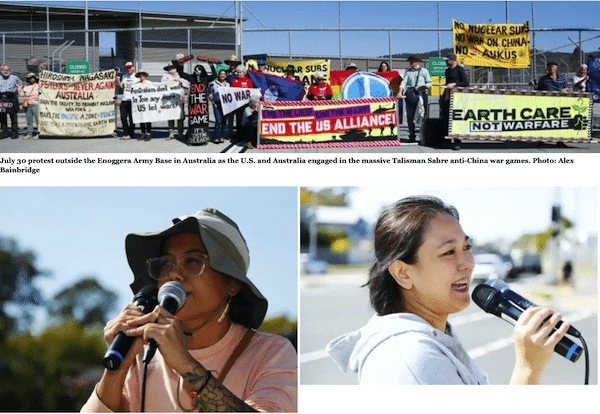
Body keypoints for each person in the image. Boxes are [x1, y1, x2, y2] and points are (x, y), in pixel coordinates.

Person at [327, 195, 571, 385]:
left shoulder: (430, 340)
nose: (467, 262)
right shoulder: (413, 359)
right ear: (403, 273)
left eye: (466, 247)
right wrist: (528, 369)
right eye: (448, 252)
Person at [80, 208, 297, 412]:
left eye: (193, 261)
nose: (174, 275)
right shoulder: (141, 354)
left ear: (233, 283)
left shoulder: (271, 353)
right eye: (165, 264)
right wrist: (116, 370)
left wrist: (185, 363)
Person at [399, 55, 432, 142]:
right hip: (410, 94)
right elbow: (404, 82)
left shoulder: (424, 71)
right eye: (410, 62)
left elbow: (429, 83)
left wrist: (422, 87)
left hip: (421, 95)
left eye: (412, 61)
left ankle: (423, 136)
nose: (410, 63)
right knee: (410, 116)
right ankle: (412, 136)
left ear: (416, 61)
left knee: (423, 115)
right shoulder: (408, 72)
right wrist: (400, 91)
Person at [440, 53, 469, 149]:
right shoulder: (447, 71)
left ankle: (457, 141)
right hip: (447, 96)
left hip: (457, 97)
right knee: (446, 118)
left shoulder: (460, 69)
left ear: (452, 60)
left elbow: (465, 83)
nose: (446, 61)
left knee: (455, 119)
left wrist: (454, 84)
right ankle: (447, 140)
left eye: (447, 60)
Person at [162, 62, 190, 140]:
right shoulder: (165, 77)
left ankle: (180, 133)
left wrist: (181, 82)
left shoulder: (181, 76)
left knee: (180, 116)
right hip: (169, 99)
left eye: (173, 68)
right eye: (170, 69)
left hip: (180, 98)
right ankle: (171, 133)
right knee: (170, 116)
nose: (172, 70)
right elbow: (162, 86)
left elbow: (187, 85)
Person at [116, 62, 138, 140]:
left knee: (132, 118)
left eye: (130, 67)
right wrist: (118, 81)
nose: (129, 69)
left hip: (132, 100)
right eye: (127, 68)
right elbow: (121, 86)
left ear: (133, 67)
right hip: (125, 99)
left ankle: (131, 134)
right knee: (123, 117)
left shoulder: (137, 77)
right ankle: (126, 133)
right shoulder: (125, 76)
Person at [231, 65, 255, 134]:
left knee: (246, 119)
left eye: (241, 72)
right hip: (237, 104)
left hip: (246, 103)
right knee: (238, 119)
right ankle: (239, 134)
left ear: (244, 72)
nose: (239, 74)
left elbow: (251, 90)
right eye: (238, 72)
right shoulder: (233, 81)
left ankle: (246, 134)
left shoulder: (248, 80)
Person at [0, 64, 22, 139]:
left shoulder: (14, 78)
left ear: (9, 70)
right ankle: (3, 132)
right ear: (1, 70)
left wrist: (18, 91)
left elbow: (21, 84)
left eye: (7, 70)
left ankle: (15, 132)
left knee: (13, 116)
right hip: (2, 98)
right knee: (2, 116)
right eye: (4, 70)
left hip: (12, 98)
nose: (6, 71)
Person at [208, 69, 230, 143]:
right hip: (216, 104)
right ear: (218, 75)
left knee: (224, 122)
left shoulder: (228, 85)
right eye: (221, 74)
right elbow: (210, 93)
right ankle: (216, 136)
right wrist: (211, 97)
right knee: (218, 121)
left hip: (225, 105)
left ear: (226, 76)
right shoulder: (213, 84)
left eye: (224, 74)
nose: (222, 75)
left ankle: (222, 136)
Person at [17, 72, 40, 140]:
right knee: (29, 120)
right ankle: (29, 133)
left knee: (38, 120)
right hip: (28, 105)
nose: (31, 79)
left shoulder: (39, 85)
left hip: (36, 104)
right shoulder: (26, 87)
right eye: (30, 78)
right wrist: (19, 88)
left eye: (32, 78)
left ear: (35, 78)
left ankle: (39, 133)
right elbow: (21, 95)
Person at [134, 69, 152, 141]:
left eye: (143, 75)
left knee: (148, 119)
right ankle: (143, 134)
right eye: (140, 75)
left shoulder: (149, 83)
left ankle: (148, 134)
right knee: (141, 118)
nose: (141, 76)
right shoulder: (136, 84)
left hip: (147, 103)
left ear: (145, 76)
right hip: (140, 103)